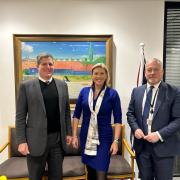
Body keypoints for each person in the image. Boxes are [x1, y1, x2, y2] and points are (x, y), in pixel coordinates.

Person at [15, 53, 72, 180]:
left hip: (57, 141)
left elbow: (67, 112)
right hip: (35, 141)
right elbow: (20, 116)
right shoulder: (26, 86)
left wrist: (68, 132)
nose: (48, 67)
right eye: (44, 64)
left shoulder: (62, 85)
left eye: (50, 64)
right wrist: (21, 141)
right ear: (37, 67)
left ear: (54, 66)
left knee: (56, 177)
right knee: (35, 177)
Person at [127, 58, 180, 180]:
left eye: (156, 70)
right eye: (149, 70)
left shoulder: (174, 92)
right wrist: (136, 129)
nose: (152, 73)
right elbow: (130, 114)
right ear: (145, 72)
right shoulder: (137, 91)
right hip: (142, 147)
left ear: (162, 72)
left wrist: (159, 134)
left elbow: (178, 120)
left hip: (164, 147)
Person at [72, 63, 122, 180]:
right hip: (86, 136)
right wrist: (74, 136)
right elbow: (76, 115)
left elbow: (118, 120)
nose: (98, 76)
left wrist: (115, 141)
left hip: (104, 138)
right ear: (92, 75)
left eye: (102, 73)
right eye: (96, 73)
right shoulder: (84, 92)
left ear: (106, 76)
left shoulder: (112, 94)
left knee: (101, 173)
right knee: (91, 173)